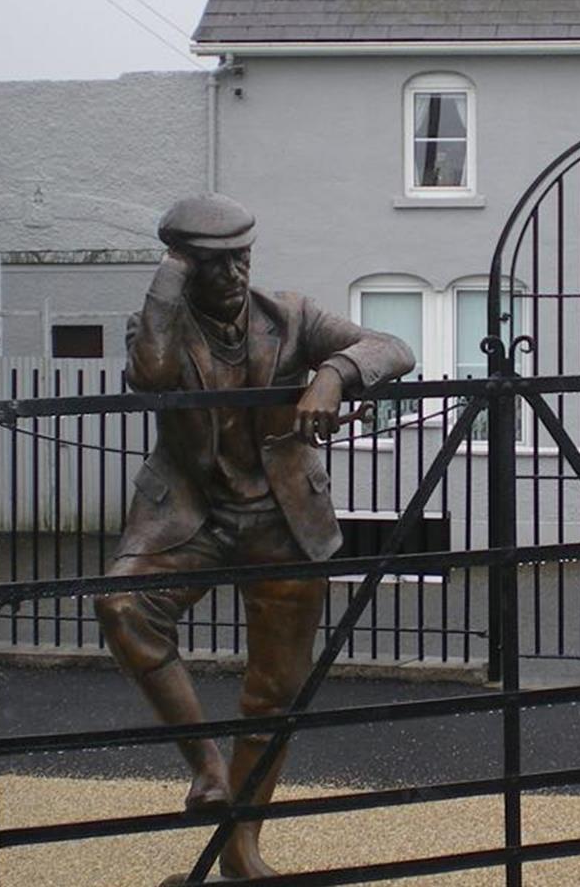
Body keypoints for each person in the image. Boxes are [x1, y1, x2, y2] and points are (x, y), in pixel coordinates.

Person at [94, 193, 414, 879]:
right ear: (184, 266)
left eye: (242, 259)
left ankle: (241, 853)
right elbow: (148, 375)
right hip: (193, 513)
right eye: (216, 265)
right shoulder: (160, 328)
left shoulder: (289, 316)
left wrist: (334, 374)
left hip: (282, 518)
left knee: (274, 694)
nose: (236, 276)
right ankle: (206, 766)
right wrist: (168, 279)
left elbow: (392, 346)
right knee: (123, 606)